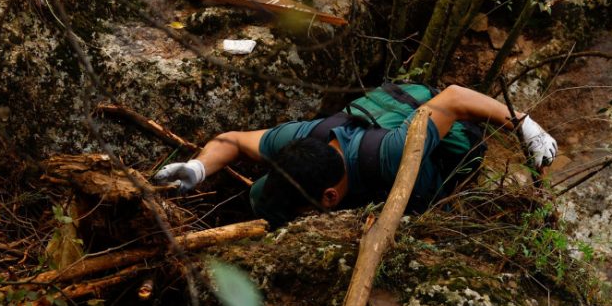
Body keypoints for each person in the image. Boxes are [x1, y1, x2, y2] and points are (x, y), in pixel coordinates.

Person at [153, 83, 557, 227]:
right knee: (260, 199)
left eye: (303, 213)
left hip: (420, 174)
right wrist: (198, 168)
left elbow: (452, 98)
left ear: (330, 198)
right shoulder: (298, 138)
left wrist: (526, 127)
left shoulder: (392, 153)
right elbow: (232, 141)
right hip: (360, 167)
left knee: (426, 205)